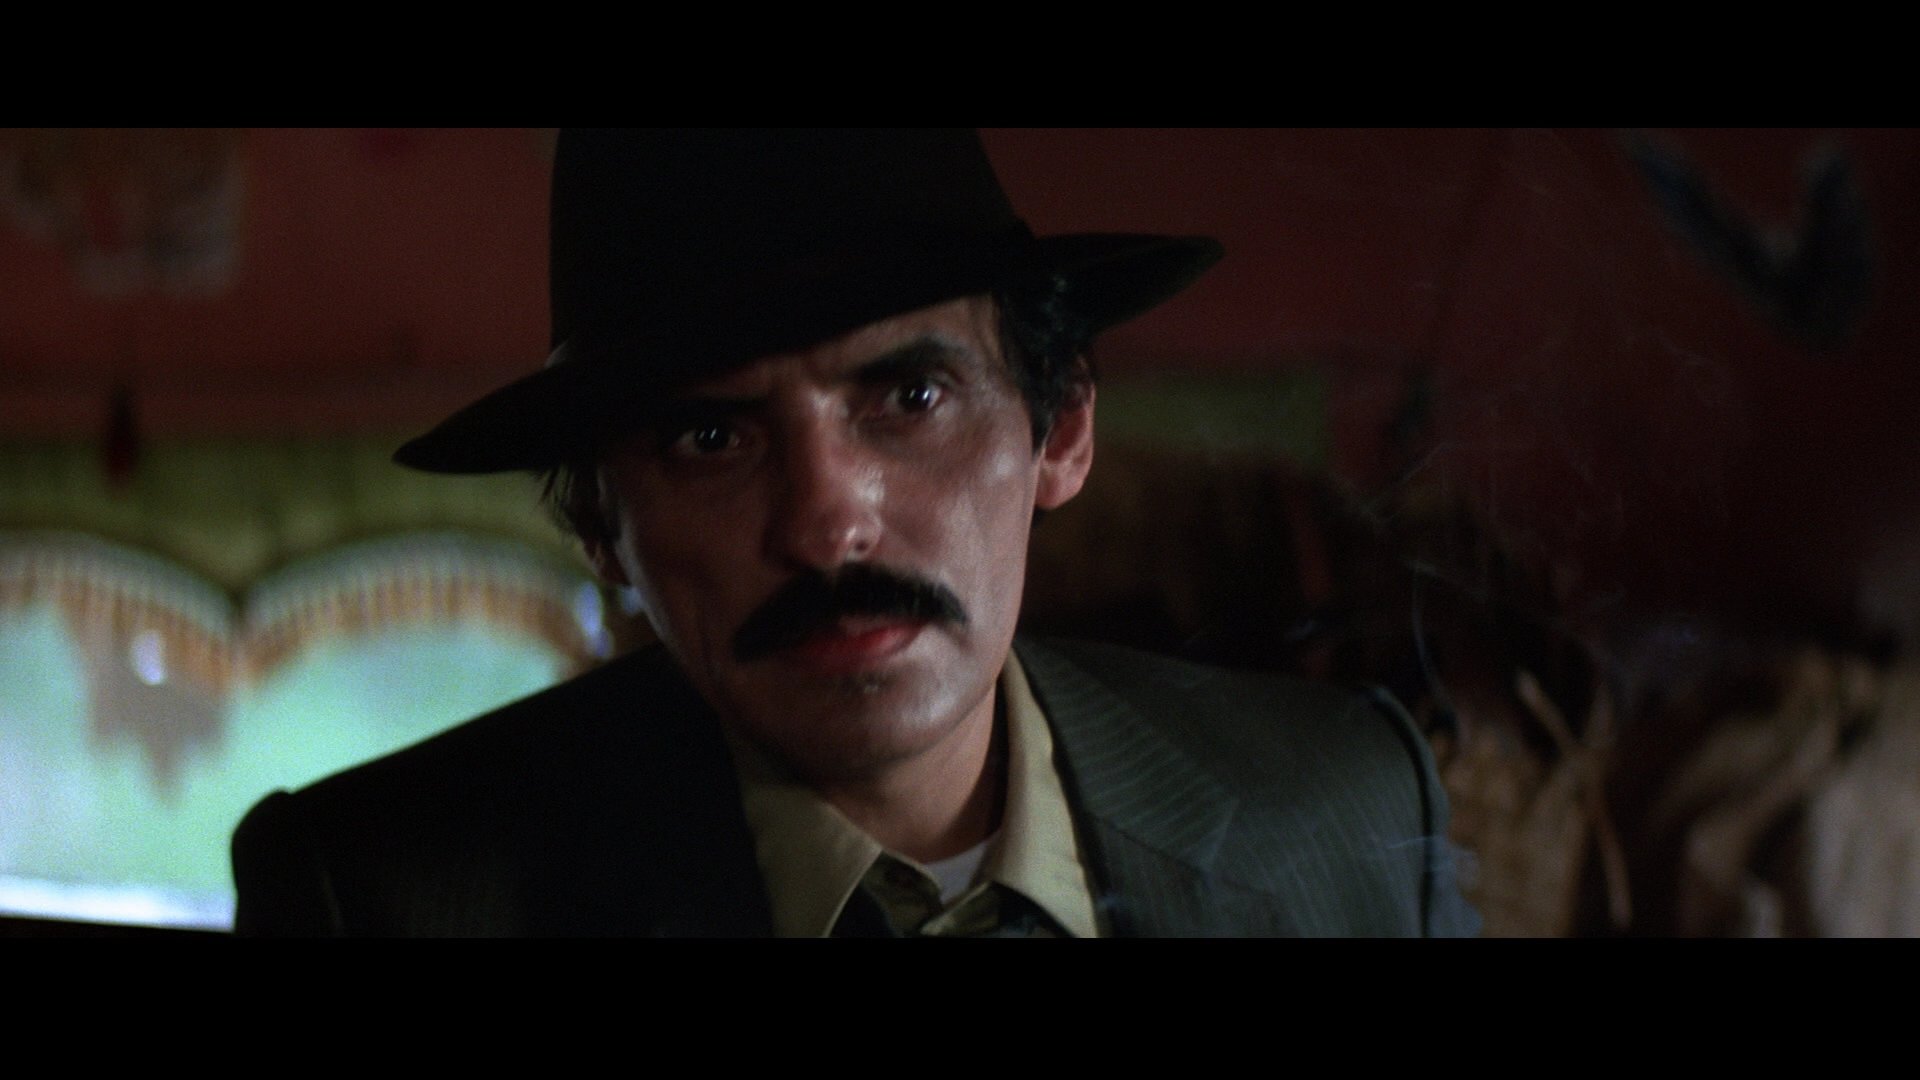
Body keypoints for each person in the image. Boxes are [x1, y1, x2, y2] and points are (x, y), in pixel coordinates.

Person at [230, 129, 1478, 937]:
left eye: (912, 398)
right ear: (603, 529)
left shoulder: (1341, 806)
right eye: (711, 438)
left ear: (1060, 429)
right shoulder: (385, 896)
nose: (829, 524)